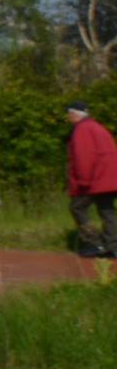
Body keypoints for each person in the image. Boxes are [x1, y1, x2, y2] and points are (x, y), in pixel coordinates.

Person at [66, 102, 117, 257]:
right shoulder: (97, 127)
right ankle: (112, 246)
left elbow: (84, 157)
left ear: (75, 114)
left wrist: (83, 181)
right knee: (107, 210)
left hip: (96, 179)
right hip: (110, 178)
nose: (68, 117)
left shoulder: (82, 129)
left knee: (77, 207)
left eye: (69, 113)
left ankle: (94, 244)